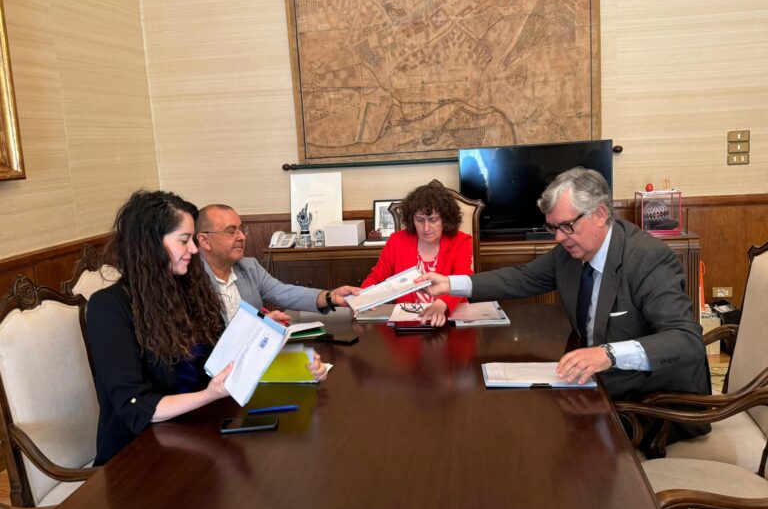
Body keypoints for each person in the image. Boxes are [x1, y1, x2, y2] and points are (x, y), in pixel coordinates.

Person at [418, 168, 711, 439]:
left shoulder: (647, 259)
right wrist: (451, 283)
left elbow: (686, 340)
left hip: (655, 405)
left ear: (599, 214)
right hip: (599, 390)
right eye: (553, 228)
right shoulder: (569, 254)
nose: (559, 237)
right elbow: (520, 278)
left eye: (567, 226)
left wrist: (607, 354)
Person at [86, 191, 327, 464]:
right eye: (184, 240)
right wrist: (208, 394)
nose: (193, 249)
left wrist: (298, 366)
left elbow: (223, 361)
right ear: (150, 244)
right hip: (137, 455)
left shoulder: (189, 290)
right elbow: (136, 407)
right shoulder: (108, 307)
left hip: (197, 433)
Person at [196, 204, 359, 324]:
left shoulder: (249, 267)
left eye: (241, 229)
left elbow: (285, 293)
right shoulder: (191, 281)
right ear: (204, 240)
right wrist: (260, 324)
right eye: (231, 231)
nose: (242, 237)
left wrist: (329, 297)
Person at [361, 180, 474, 327]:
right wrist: (361, 298)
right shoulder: (397, 241)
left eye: (433, 220)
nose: (426, 228)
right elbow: (376, 277)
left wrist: (441, 304)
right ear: (412, 219)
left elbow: (462, 279)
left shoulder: (461, 241)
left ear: (445, 219)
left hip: (450, 319)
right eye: (420, 220)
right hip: (407, 322)